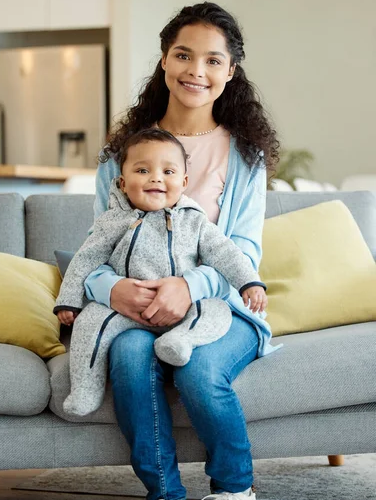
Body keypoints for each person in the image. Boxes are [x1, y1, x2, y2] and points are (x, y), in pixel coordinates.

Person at [84, 2, 279, 500]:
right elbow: (98, 248)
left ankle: (236, 493)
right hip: (136, 308)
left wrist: (190, 287)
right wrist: (109, 290)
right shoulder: (119, 159)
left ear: (230, 72)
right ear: (165, 62)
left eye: (212, 60)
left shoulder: (245, 157)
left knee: (198, 365)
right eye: (183, 55)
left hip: (223, 309)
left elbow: (241, 252)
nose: (196, 70)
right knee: (127, 359)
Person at [54, 128, 267, 417]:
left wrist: (249, 282)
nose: (156, 177)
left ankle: (181, 342)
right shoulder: (112, 222)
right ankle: (84, 388)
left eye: (168, 171)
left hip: (185, 310)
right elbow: (85, 259)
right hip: (129, 313)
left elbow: (226, 253)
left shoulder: (195, 222)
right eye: (142, 170)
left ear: (184, 182)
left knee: (217, 311)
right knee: (91, 322)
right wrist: (68, 300)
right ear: (122, 181)